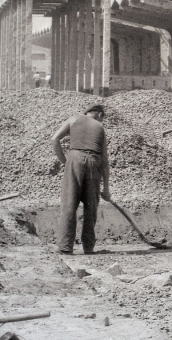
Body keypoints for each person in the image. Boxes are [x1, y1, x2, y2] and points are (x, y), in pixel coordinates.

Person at [51, 103, 111, 255]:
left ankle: (65, 247)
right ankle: (88, 248)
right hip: (94, 161)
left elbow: (55, 139)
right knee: (91, 208)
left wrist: (65, 162)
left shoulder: (73, 119)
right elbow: (104, 160)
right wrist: (106, 189)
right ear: (100, 115)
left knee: (69, 203)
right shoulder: (100, 127)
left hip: (75, 159)